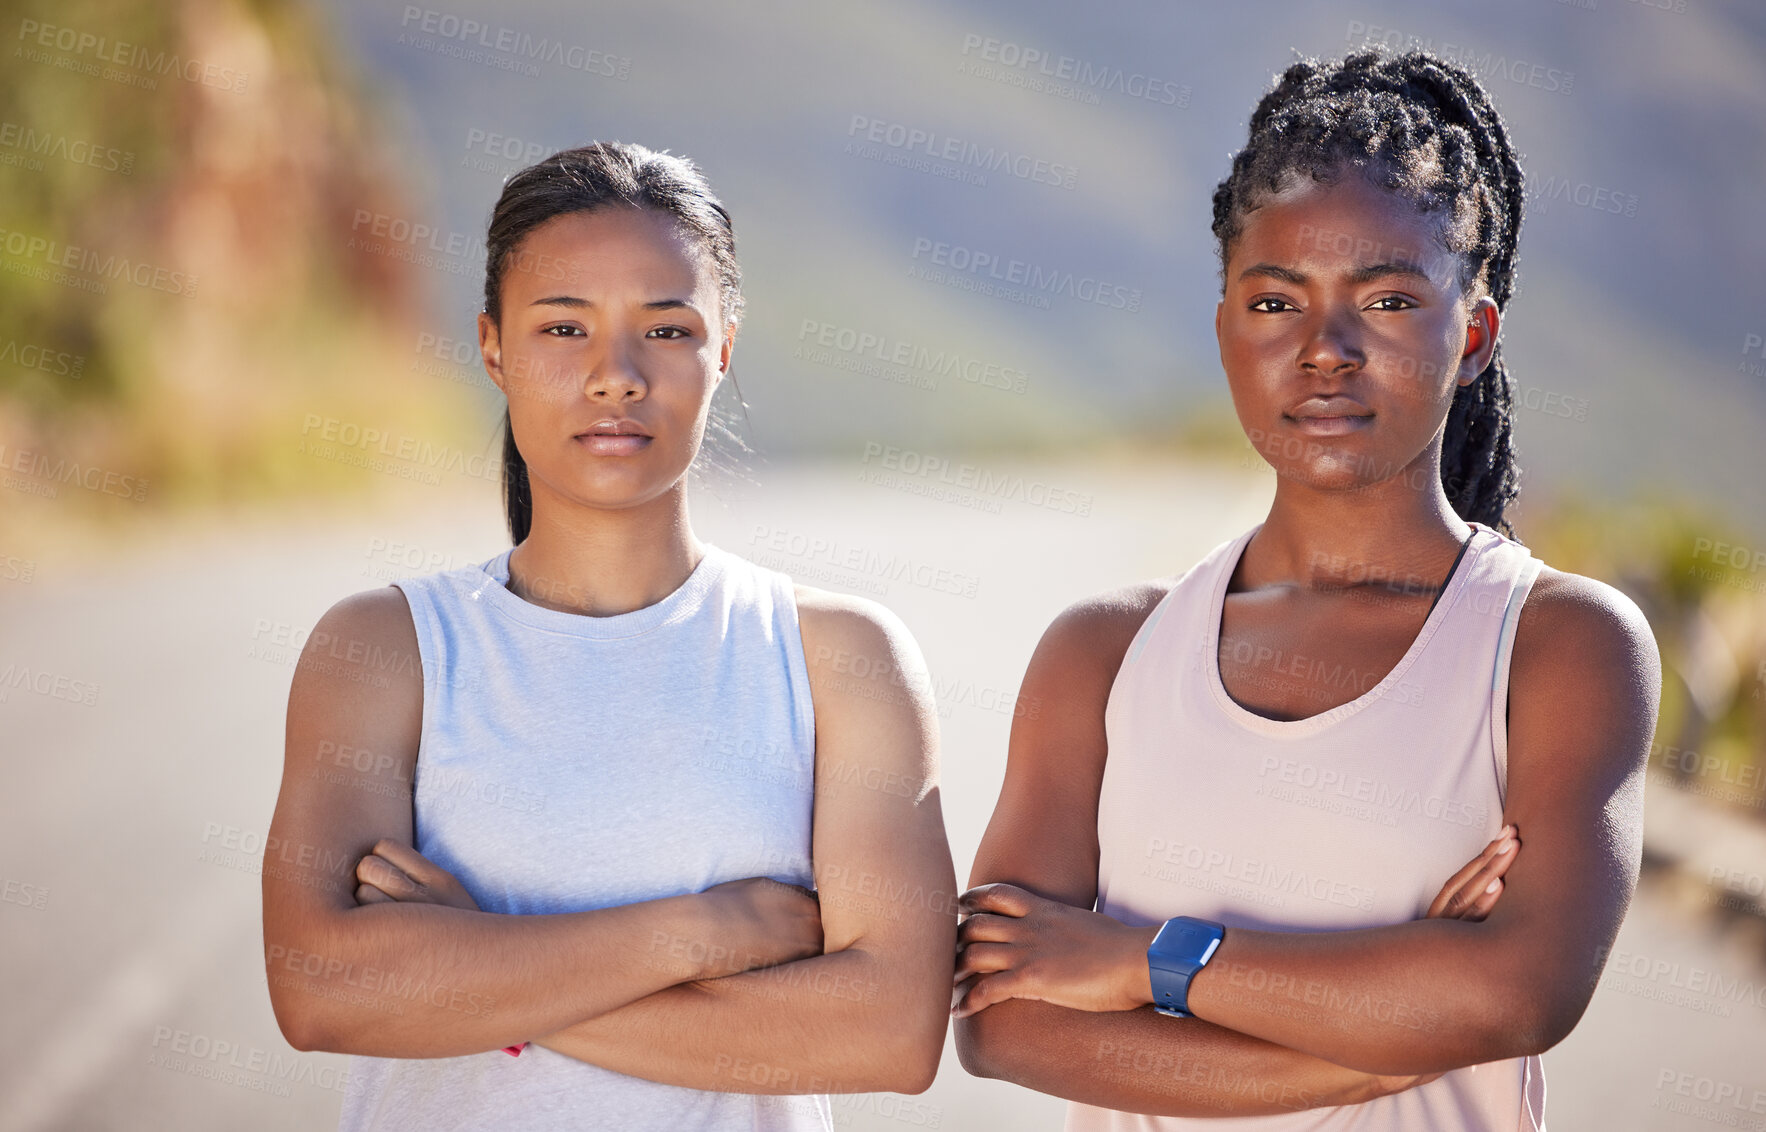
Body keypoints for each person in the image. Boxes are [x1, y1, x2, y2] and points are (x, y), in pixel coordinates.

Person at [951, 50, 1660, 1129]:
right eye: (1276, 300)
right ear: (1228, 325)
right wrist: (1375, 1045)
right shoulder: (1102, 654)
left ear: (1469, 334)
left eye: (1382, 299)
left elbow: (1517, 992)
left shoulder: (1554, 646)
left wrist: (1141, 961)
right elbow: (999, 1020)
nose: (1323, 350)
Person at [261, 142, 957, 1132]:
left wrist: (474, 964)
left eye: (665, 328)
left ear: (722, 347)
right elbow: (323, 992)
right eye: (562, 327)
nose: (615, 376)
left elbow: (886, 1031)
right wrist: (700, 931)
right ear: (492, 346)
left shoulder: (837, 657)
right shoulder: (384, 647)